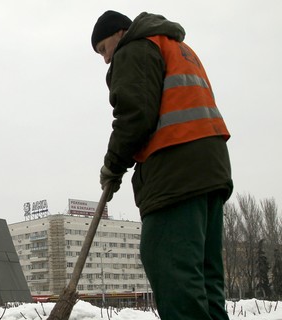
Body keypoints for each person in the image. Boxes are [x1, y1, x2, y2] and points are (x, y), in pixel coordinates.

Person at [91, 10, 233, 320]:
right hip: (211, 169)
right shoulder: (178, 48)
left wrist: (113, 166)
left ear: (120, 33)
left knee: (171, 268)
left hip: (175, 172)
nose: (105, 60)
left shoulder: (135, 47)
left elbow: (135, 115)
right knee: (205, 279)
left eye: (103, 49)